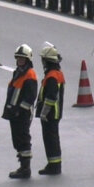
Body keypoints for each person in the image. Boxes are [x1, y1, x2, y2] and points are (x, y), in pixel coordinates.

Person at [2, 44, 38, 179]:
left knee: (23, 139)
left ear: (28, 60)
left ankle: (25, 168)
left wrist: (19, 110)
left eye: (22, 59)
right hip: (15, 113)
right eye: (18, 58)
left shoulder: (30, 74)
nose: (20, 61)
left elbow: (30, 97)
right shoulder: (18, 71)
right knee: (17, 139)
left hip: (22, 114)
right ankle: (23, 166)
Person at [35, 44, 66, 176]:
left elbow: (51, 97)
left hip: (51, 114)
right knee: (52, 138)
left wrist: (44, 112)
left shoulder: (52, 76)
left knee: (50, 139)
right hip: (55, 113)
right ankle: (53, 164)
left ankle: (54, 166)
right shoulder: (56, 74)